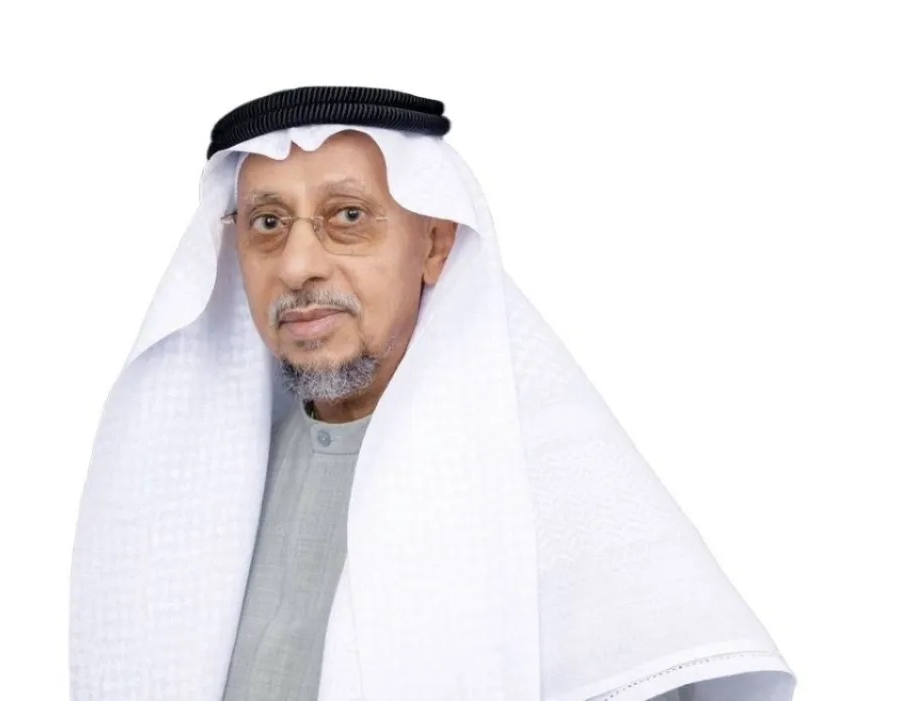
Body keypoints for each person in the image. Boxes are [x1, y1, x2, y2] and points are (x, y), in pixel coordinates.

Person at [69, 86, 797, 701]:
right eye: (268, 223)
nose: (296, 264)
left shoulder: (547, 480)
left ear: (436, 244)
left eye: (347, 217)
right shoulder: (196, 484)